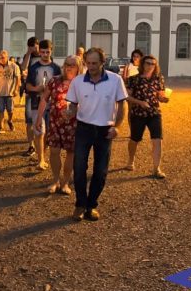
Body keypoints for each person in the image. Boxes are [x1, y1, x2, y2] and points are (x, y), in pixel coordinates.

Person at [65, 48, 127, 222]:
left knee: (100, 171)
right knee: (79, 168)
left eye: (95, 63)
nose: (91, 67)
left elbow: (122, 105)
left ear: (102, 62)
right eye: (88, 63)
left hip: (105, 130)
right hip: (83, 128)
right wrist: (69, 112)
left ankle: (91, 205)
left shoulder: (115, 80)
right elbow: (73, 105)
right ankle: (80, 204)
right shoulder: (78, 81)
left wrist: (117, 126)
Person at [36, 55, 81, 194]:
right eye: (67, 64)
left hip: (74, 124)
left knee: (71, 153)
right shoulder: (54, 81)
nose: (69, 67)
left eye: (72, 65)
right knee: (54, 152)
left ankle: (65, 182)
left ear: (78, 67)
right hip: (55, 122)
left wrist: (75, 110)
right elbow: (44, 99)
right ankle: (55, 180)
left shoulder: (81, 83)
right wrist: (39, 118)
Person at [125, 55, 169, 178]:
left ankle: (156, 169)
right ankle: (131, 160)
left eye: (153, 64)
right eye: (148, 63)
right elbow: (127, 96)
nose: (150, 66)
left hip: (154, 113)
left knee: (157, 140)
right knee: (135, 139)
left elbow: (160, 94)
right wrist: (140, 103)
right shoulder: (134, 79)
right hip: (138, 114)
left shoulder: (159, 78)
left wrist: (163, 99)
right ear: (142, 64)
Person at [25, 39, 60, 170]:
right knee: (39, 131)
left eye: (47, 52)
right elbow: (28, 85)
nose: (45, 54)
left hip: (52, 105)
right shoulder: (34, 68)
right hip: (36, 103)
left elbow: (60, 86)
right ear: (39, 52)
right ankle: (40, 160)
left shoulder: (56, 68)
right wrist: (37, 88)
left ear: (51, 51)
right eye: (43, 52)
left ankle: (43, 155)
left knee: (48, 133)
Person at [0, 50, 19, 133]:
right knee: (0, 110)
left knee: (10, 110)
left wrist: (16, 89)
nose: (1, 59)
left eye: (3, 57)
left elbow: (18, 78)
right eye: (0, 57)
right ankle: (1, 127)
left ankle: (10, 120)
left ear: (7, 57)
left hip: (10, 92)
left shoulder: (14, 66)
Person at [21, 37, 40, 148]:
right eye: (31, 46)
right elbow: (23, 67)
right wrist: (28, 53)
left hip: (42, 93)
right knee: (29, 120)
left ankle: (42, 142)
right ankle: (31, 145)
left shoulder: (44, 55)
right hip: (30, 92)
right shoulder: (28, 56)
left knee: (43, 118)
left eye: (34, 45)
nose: (33, 48)